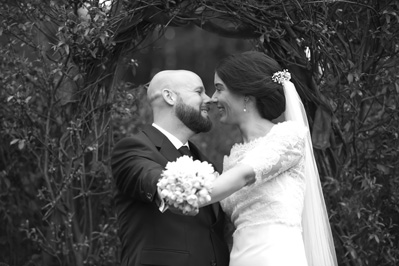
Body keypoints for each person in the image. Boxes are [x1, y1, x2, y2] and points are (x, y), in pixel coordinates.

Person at [186, 51, 338, 266]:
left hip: (276, 256)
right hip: (240, 257)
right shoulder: (232, 157)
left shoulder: (287, 137)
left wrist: (183, 193)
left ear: (246, 95)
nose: (213, 98)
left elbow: (245, 175)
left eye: (219, 88)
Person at [111, 70, 230, 266]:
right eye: (199, 92)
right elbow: (157, 181)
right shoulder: (133, 149)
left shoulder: (205, 162)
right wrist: (246, 172)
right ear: (169, 96)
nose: (208, 99)